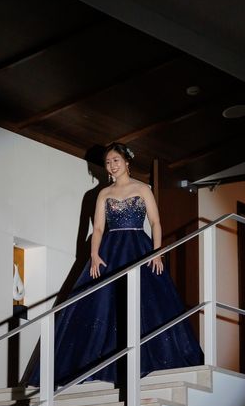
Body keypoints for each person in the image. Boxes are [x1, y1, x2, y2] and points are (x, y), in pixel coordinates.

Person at [26, 142, 203, 387]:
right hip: (110, 251)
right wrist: (94, 254)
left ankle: (146, 359)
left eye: (115, 160)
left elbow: (155, 222)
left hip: (139, 248)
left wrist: (157, 253)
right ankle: (95, 364)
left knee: (147, 302)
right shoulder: (103, 194)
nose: (112, 165)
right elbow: (98, 228)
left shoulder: (143, 189)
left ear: (126, 162)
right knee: (100, 304)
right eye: (108, 162)